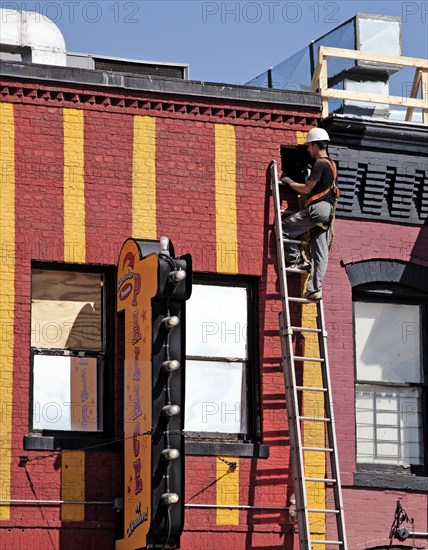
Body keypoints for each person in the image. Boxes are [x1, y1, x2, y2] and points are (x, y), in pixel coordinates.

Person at [280, 127, 338, 302]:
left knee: (283, 227)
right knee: (320, 252)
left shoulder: (320, 164)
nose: (307, 149)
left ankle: (296, 260)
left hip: (317, 209)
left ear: (314, 145)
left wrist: (289, 182)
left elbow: (307, 189)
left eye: (308, 146)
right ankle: (315, 289)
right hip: (327, 213)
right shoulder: (332, 164)